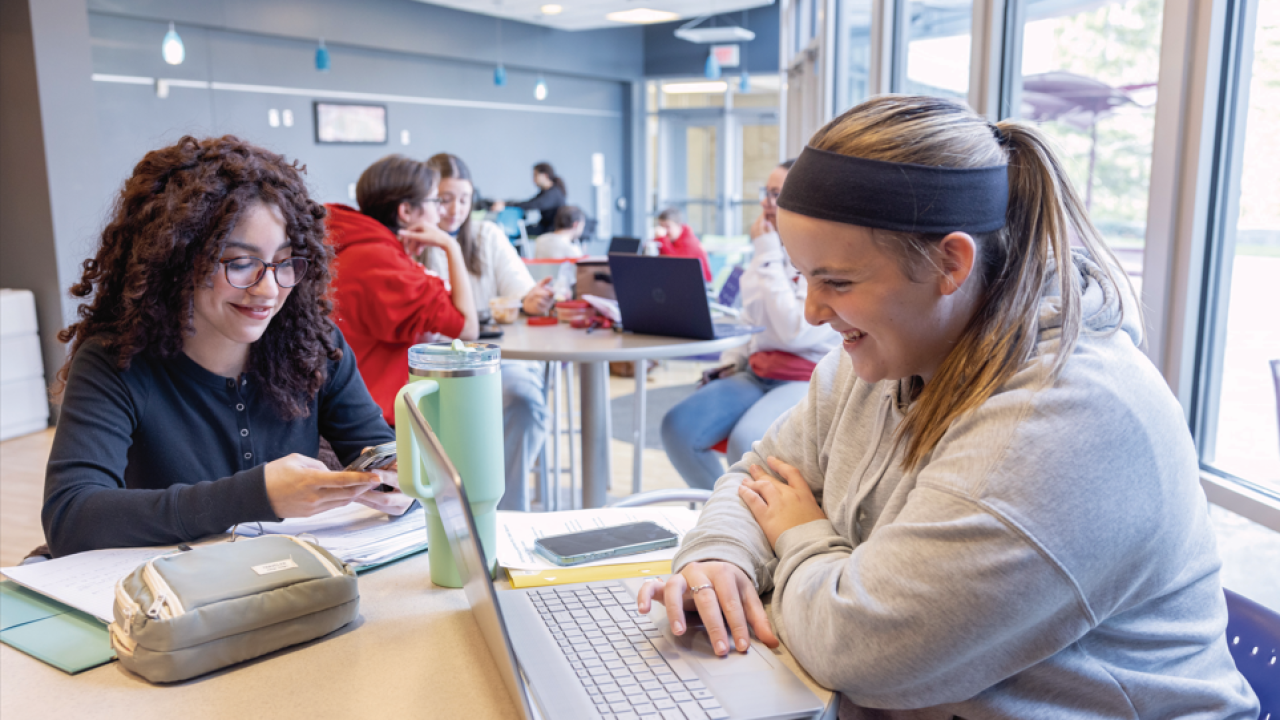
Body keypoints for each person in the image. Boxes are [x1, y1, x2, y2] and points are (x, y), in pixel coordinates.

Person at [638, 97, 1259, 716]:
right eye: (804, 278)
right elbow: (759, 478)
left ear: (949, 263)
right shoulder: (884, 357)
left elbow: (860, 651)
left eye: (838, 282)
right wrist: (721, 559)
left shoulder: (1065, 419)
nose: (812, 313)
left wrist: (800, 535)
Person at [43, 136, 413, 558]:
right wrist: (258, 495)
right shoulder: (116, 361)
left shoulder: (315, 345)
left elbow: (378, 452)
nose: (269, 289)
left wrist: (404, 480)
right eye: (239, 263)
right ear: (174, 260)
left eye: (285, 262)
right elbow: (70, 517)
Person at [660, 160, 841, 490]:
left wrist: (767, 254)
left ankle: (746, 528)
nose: (765, 203)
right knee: (677, 426)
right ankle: (721, 513)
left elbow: (794, 331)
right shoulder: (766, 249)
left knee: (746, 443)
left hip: (806, 376)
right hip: (757, 372)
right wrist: (731, 360)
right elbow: (750, 318)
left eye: (775, 194)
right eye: (766, 192)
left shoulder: (821, 254)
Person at [424, 153, 556, 511]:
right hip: (435, 366)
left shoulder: (486, 235)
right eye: (444, 199)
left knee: (526, 402)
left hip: (497, 361)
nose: (455, 210)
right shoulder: (413, 246)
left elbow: (521, 291)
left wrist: (534, 299)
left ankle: (507, 514)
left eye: (464, 200)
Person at [327, 155, 479, 425]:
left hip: (348, 406)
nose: (442, 212)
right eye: (436, 201)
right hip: (373, 418)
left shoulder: (359, 245)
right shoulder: (382, 263)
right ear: (406, 212)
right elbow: (468, 328)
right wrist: (451, 248)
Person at [490, 161, 566, 237]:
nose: (533, 180)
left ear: (545, 176)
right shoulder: (547, 191)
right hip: (545, 226)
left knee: (515, 232)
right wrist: (506, 203)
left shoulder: (552, 194)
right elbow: (529, 202)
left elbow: (531, 205)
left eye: (535, 175)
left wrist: (505, 204)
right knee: (518, 231)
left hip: (550, 230)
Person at [653, 207, 712, 282]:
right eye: (661, 226)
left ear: (678, 225)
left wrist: (662, 239)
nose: (664, 231)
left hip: (700, 284)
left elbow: (675, 265)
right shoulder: (669, 239)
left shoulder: (689, 242)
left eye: (668, 227)